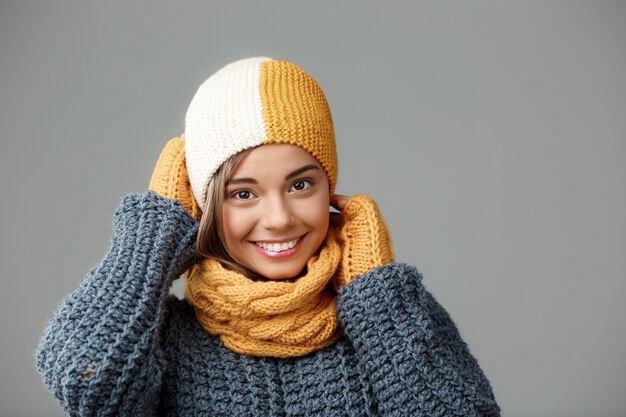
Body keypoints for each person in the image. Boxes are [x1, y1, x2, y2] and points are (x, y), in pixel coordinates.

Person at [36, 57, 501, 416]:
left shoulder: (387, 321)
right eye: (243, 193)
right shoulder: (164, 337)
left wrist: (377, 291)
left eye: (300, 185)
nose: (278, 218)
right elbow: (85, 382)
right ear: (206, 207)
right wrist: (154, 234)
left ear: (329, 184)